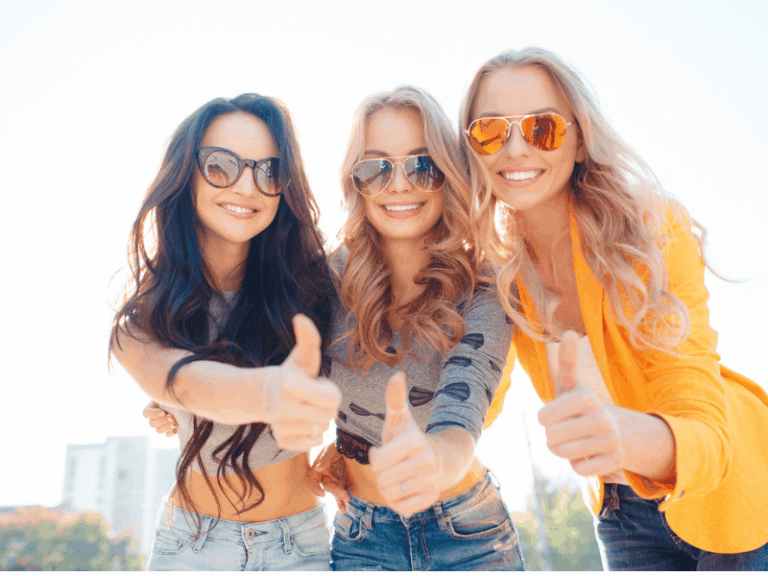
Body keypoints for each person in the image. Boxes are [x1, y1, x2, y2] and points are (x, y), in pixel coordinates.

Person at [459, 46, 768, 570]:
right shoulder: (495, 275)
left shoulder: (649, 229)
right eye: (490, 130)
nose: (514, 149)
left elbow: (702, 421)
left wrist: (622, 433)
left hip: (734, 492)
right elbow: (474, 402)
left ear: (579, 141)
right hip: (621, 509)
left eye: (542, 129)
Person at [110, 93, 342, 571]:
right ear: (185, 174)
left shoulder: (320, 287)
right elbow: (188, 382)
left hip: (299, 546)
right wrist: (269, 392)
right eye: (221, 165)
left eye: (269, 171)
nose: (247, 186)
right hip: (190, 548)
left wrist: (352, 445)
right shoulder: (140, 323)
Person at [309, 86, 524, 571]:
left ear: (448, 175)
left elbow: (463, 403)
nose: (399, 184)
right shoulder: (323, 281)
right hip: (361, 533)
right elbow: (275, 365)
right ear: (355, 182)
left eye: (421, 165)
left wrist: (431, 457)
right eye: (376, 167)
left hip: (469, 531)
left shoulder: (485, 284)